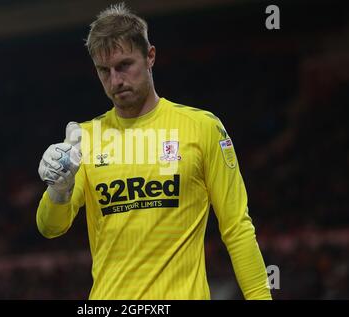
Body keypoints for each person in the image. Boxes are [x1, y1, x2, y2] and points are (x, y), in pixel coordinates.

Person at [36, 3, 272, 300]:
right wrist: (58, 190)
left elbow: (237, 228)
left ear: (150, 56)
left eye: (124, 65)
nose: (115, 81)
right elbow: (50, 228)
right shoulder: (85, 138)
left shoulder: (201, 128)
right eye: (103, 71)